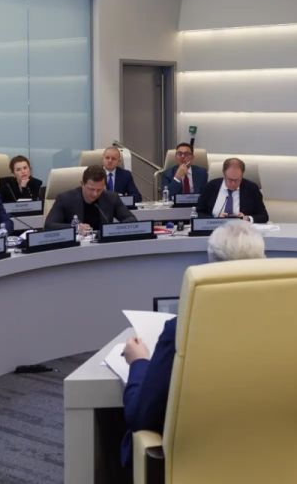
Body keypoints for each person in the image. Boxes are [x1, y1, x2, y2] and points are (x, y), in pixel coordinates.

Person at [120, 220, 265, 466]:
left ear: (211, 265)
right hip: (275, 456)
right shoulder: (290, 320)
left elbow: (141, 416)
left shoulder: (182, 329)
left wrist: (139, 362)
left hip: (197, 463)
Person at [44, 165, 137, 234]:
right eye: (91, 189)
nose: (95, 194)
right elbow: (49, 225)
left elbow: (131, 219)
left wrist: (114, 229)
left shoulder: (111, 198)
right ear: (82, 184)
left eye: (99, 190)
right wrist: (75, 228)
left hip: (103, 247)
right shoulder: (65, 199)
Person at [195, 157, 268, 223]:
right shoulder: (210, 186)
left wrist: (247, 218)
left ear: (242, 175)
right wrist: (215, 219)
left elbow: (264, 216)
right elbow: (199, 213)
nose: (233, 183)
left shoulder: (252, 188)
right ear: (224, 174)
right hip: (215, 230)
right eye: (230, 179)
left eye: (237, 180)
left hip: (242, 230)